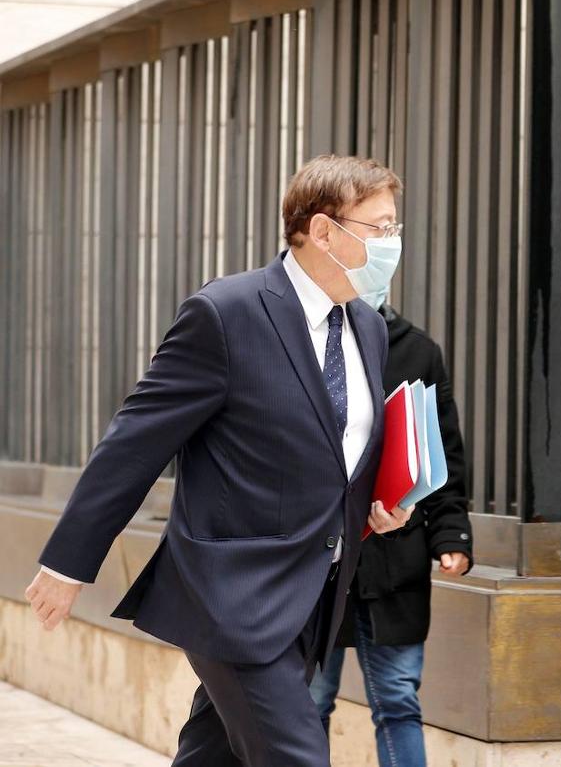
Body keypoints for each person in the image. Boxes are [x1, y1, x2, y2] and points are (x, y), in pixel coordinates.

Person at [24, 154, 413, 767]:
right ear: (323, 230)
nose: (394, 243)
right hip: (231, 593)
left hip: (313, 592)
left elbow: (336, 452)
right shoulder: (227, 313)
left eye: (396, 227)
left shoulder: (366, 326)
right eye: (380, 227)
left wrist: (375, 508)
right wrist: (69, 562)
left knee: (213, 756)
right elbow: (135, 442)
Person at [309, 301, 472, 767]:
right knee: (309, 701)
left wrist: (451, 536)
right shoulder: (303, 339)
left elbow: (443, 456)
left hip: (395, 559)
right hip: (320, 560)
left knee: (398, 700)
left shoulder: (417, 350)